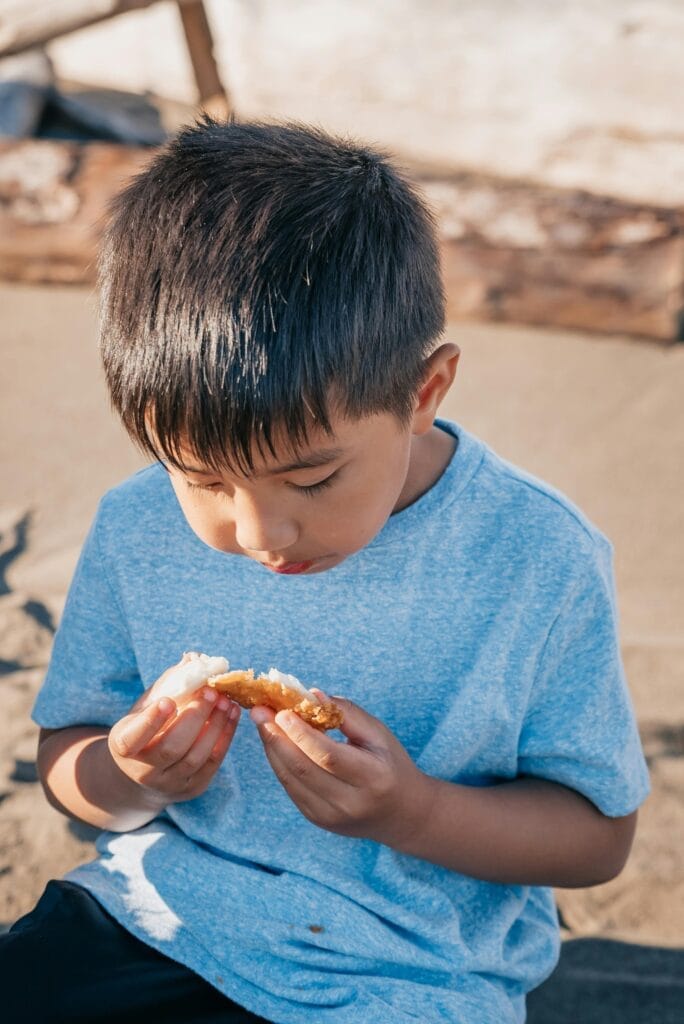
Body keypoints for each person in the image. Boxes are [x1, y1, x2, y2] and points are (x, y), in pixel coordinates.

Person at [1, 119, 649, 1024]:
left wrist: (413, 814)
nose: (261, 531)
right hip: (154, 922)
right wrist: (130, 771)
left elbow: (597, 841)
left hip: (407, 973)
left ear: (423, 394)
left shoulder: (536, 556)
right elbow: (69, 765)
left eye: (312, 476)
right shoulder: (136, 526)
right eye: (205, 479)